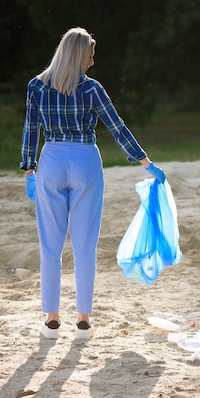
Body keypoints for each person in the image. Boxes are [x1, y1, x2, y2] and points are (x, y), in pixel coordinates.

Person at [20, 27, 166, 340]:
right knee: (85, 245)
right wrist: (146, 163)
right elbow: (117, 128)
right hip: (85, 160)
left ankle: (51, 318)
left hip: (51, 159)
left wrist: (29, 171)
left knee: (50, 245)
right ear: (78, 55)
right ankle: (83, 319)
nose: (92, 61)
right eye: (90, 54)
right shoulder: (91, 89)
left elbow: (30, 131)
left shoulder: (36, 86)